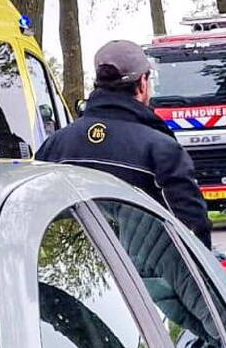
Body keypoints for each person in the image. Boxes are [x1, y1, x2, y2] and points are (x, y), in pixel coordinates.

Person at [35, 40, 211, 246]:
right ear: (143, 83)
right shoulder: (161, 150)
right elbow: (191, 229)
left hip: (71, 272)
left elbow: (36, 214)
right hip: (144, 276)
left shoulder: (55, 145)